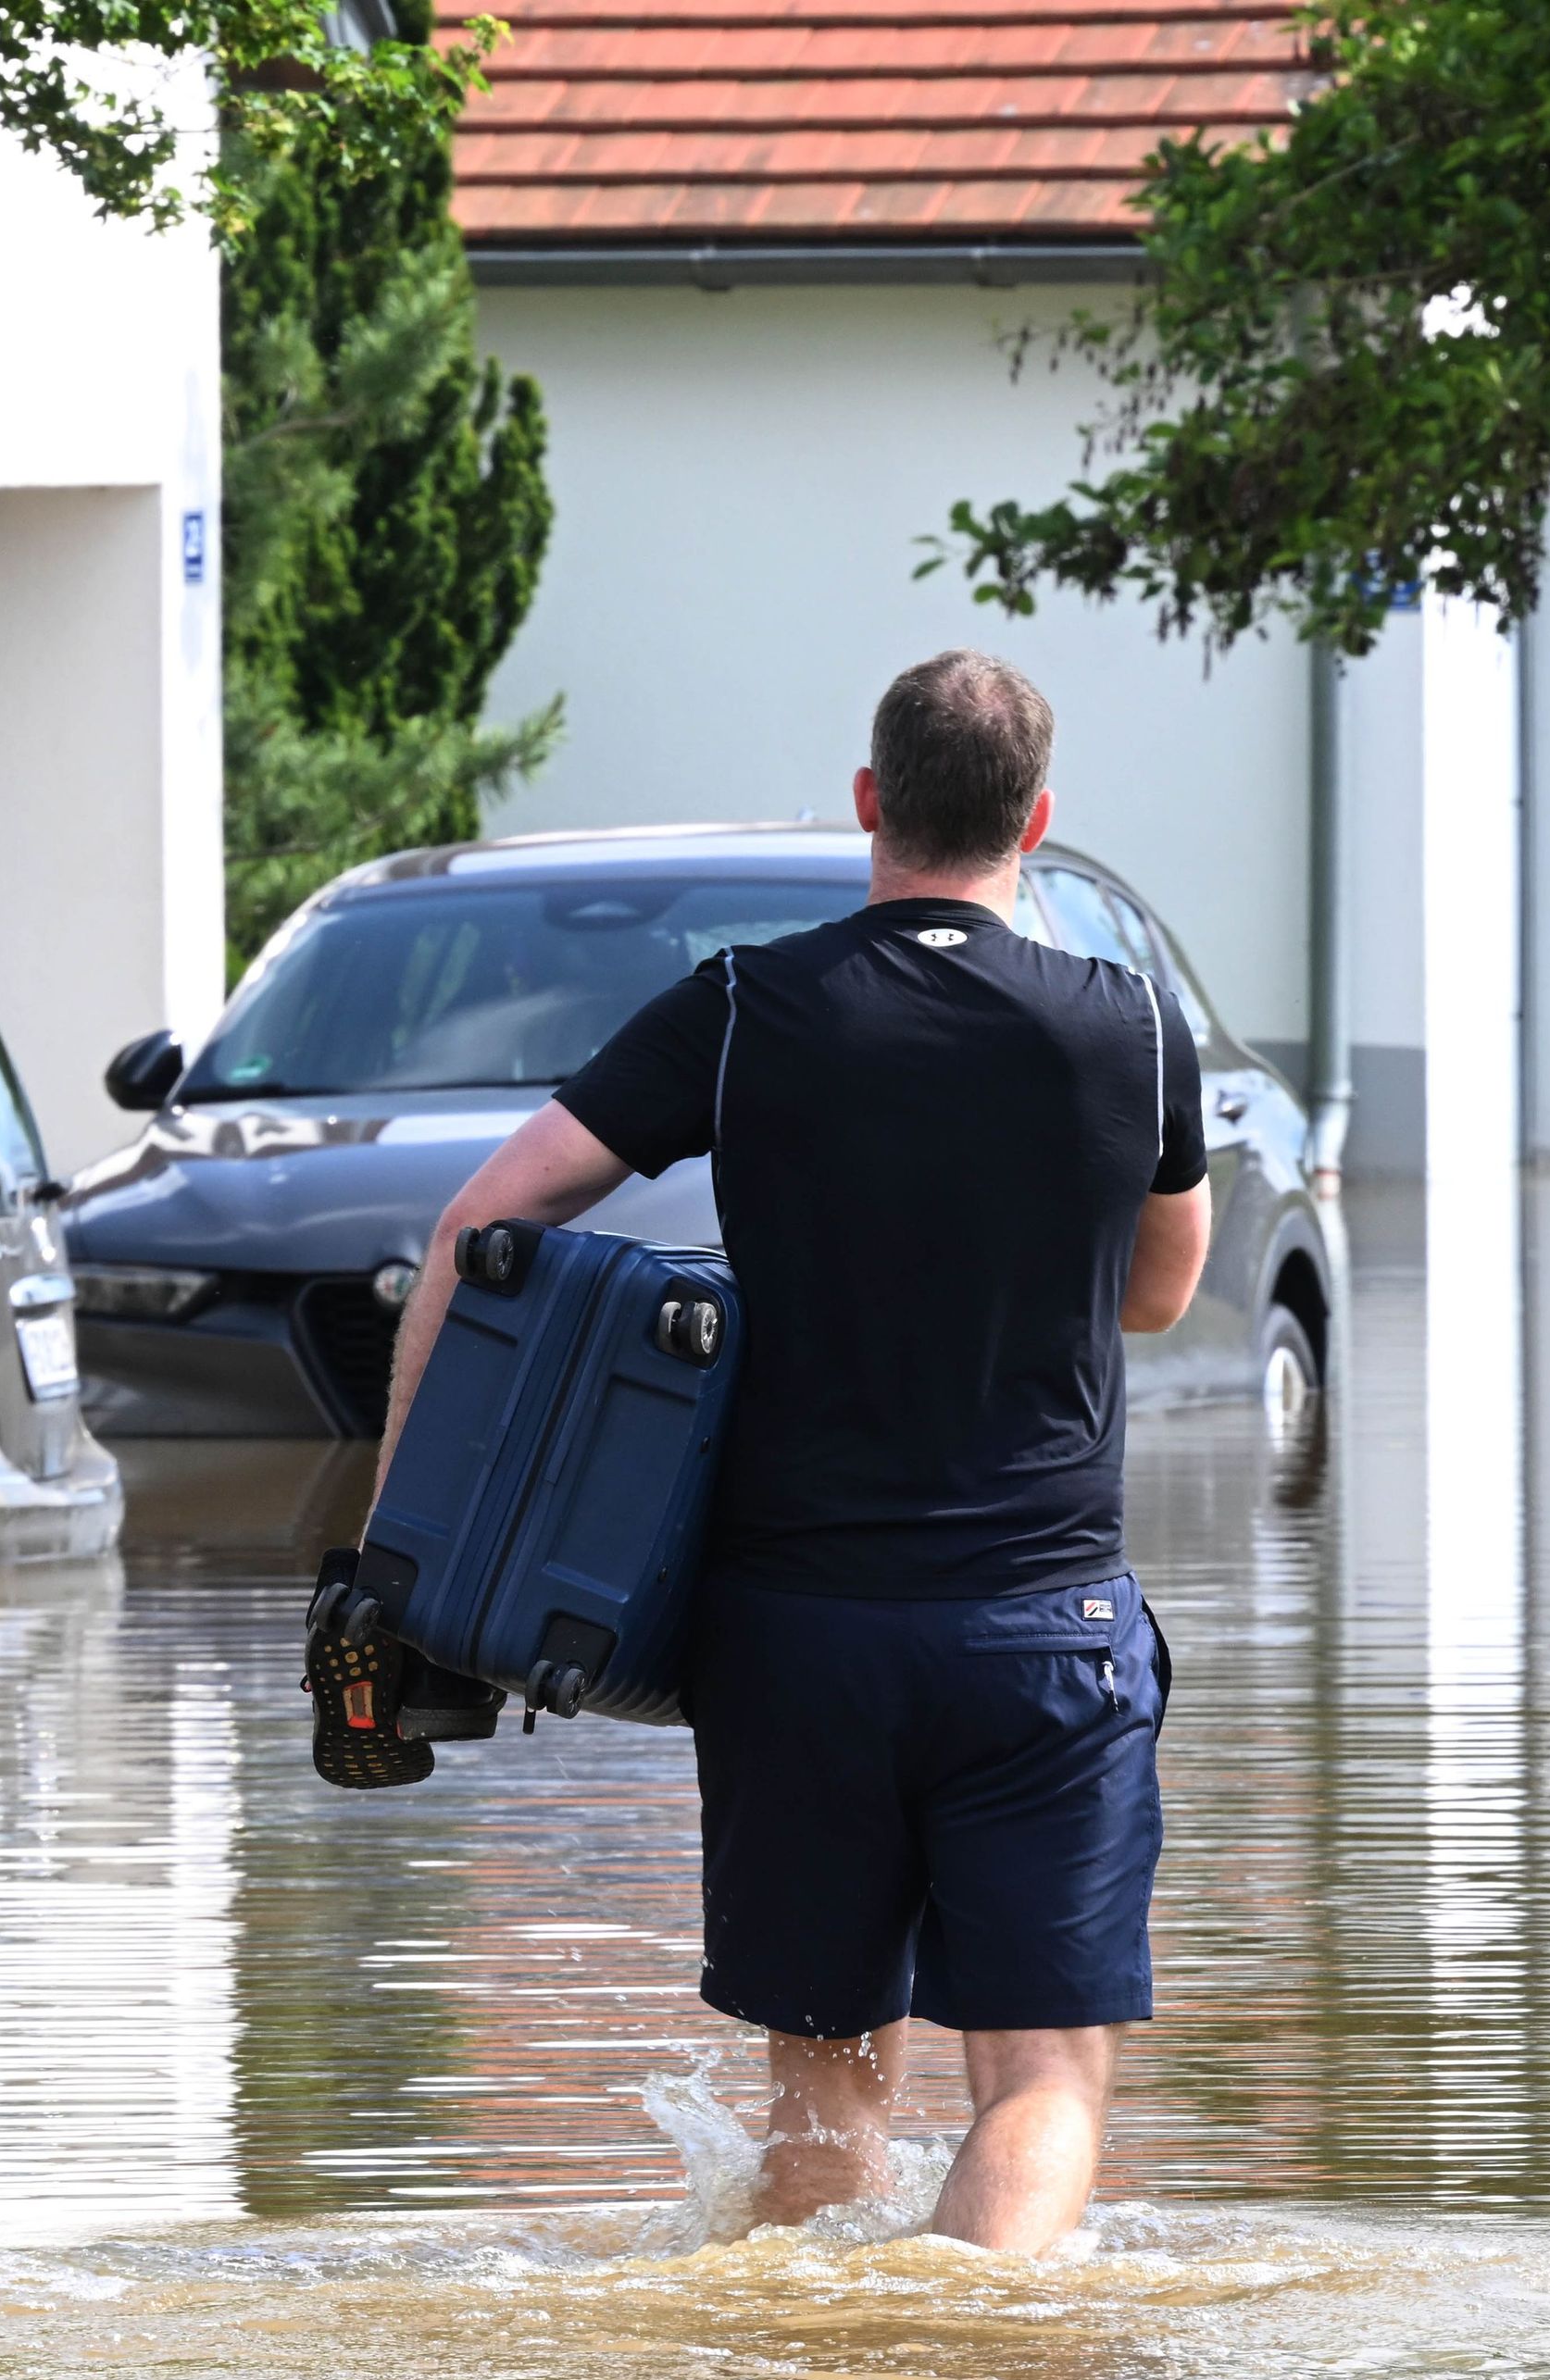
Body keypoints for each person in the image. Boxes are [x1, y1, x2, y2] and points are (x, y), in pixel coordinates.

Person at [369, 651, 1208, 2256]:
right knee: (1042, 2083)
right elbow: (1162, 1289)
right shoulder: (1130, 1029)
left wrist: (400, 1543)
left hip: (795, 1644)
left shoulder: (746, 1011)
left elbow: (484, 1221)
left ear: (871, 803)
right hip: (1043, 1641)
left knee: (824, 2095)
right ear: (1037, 816)